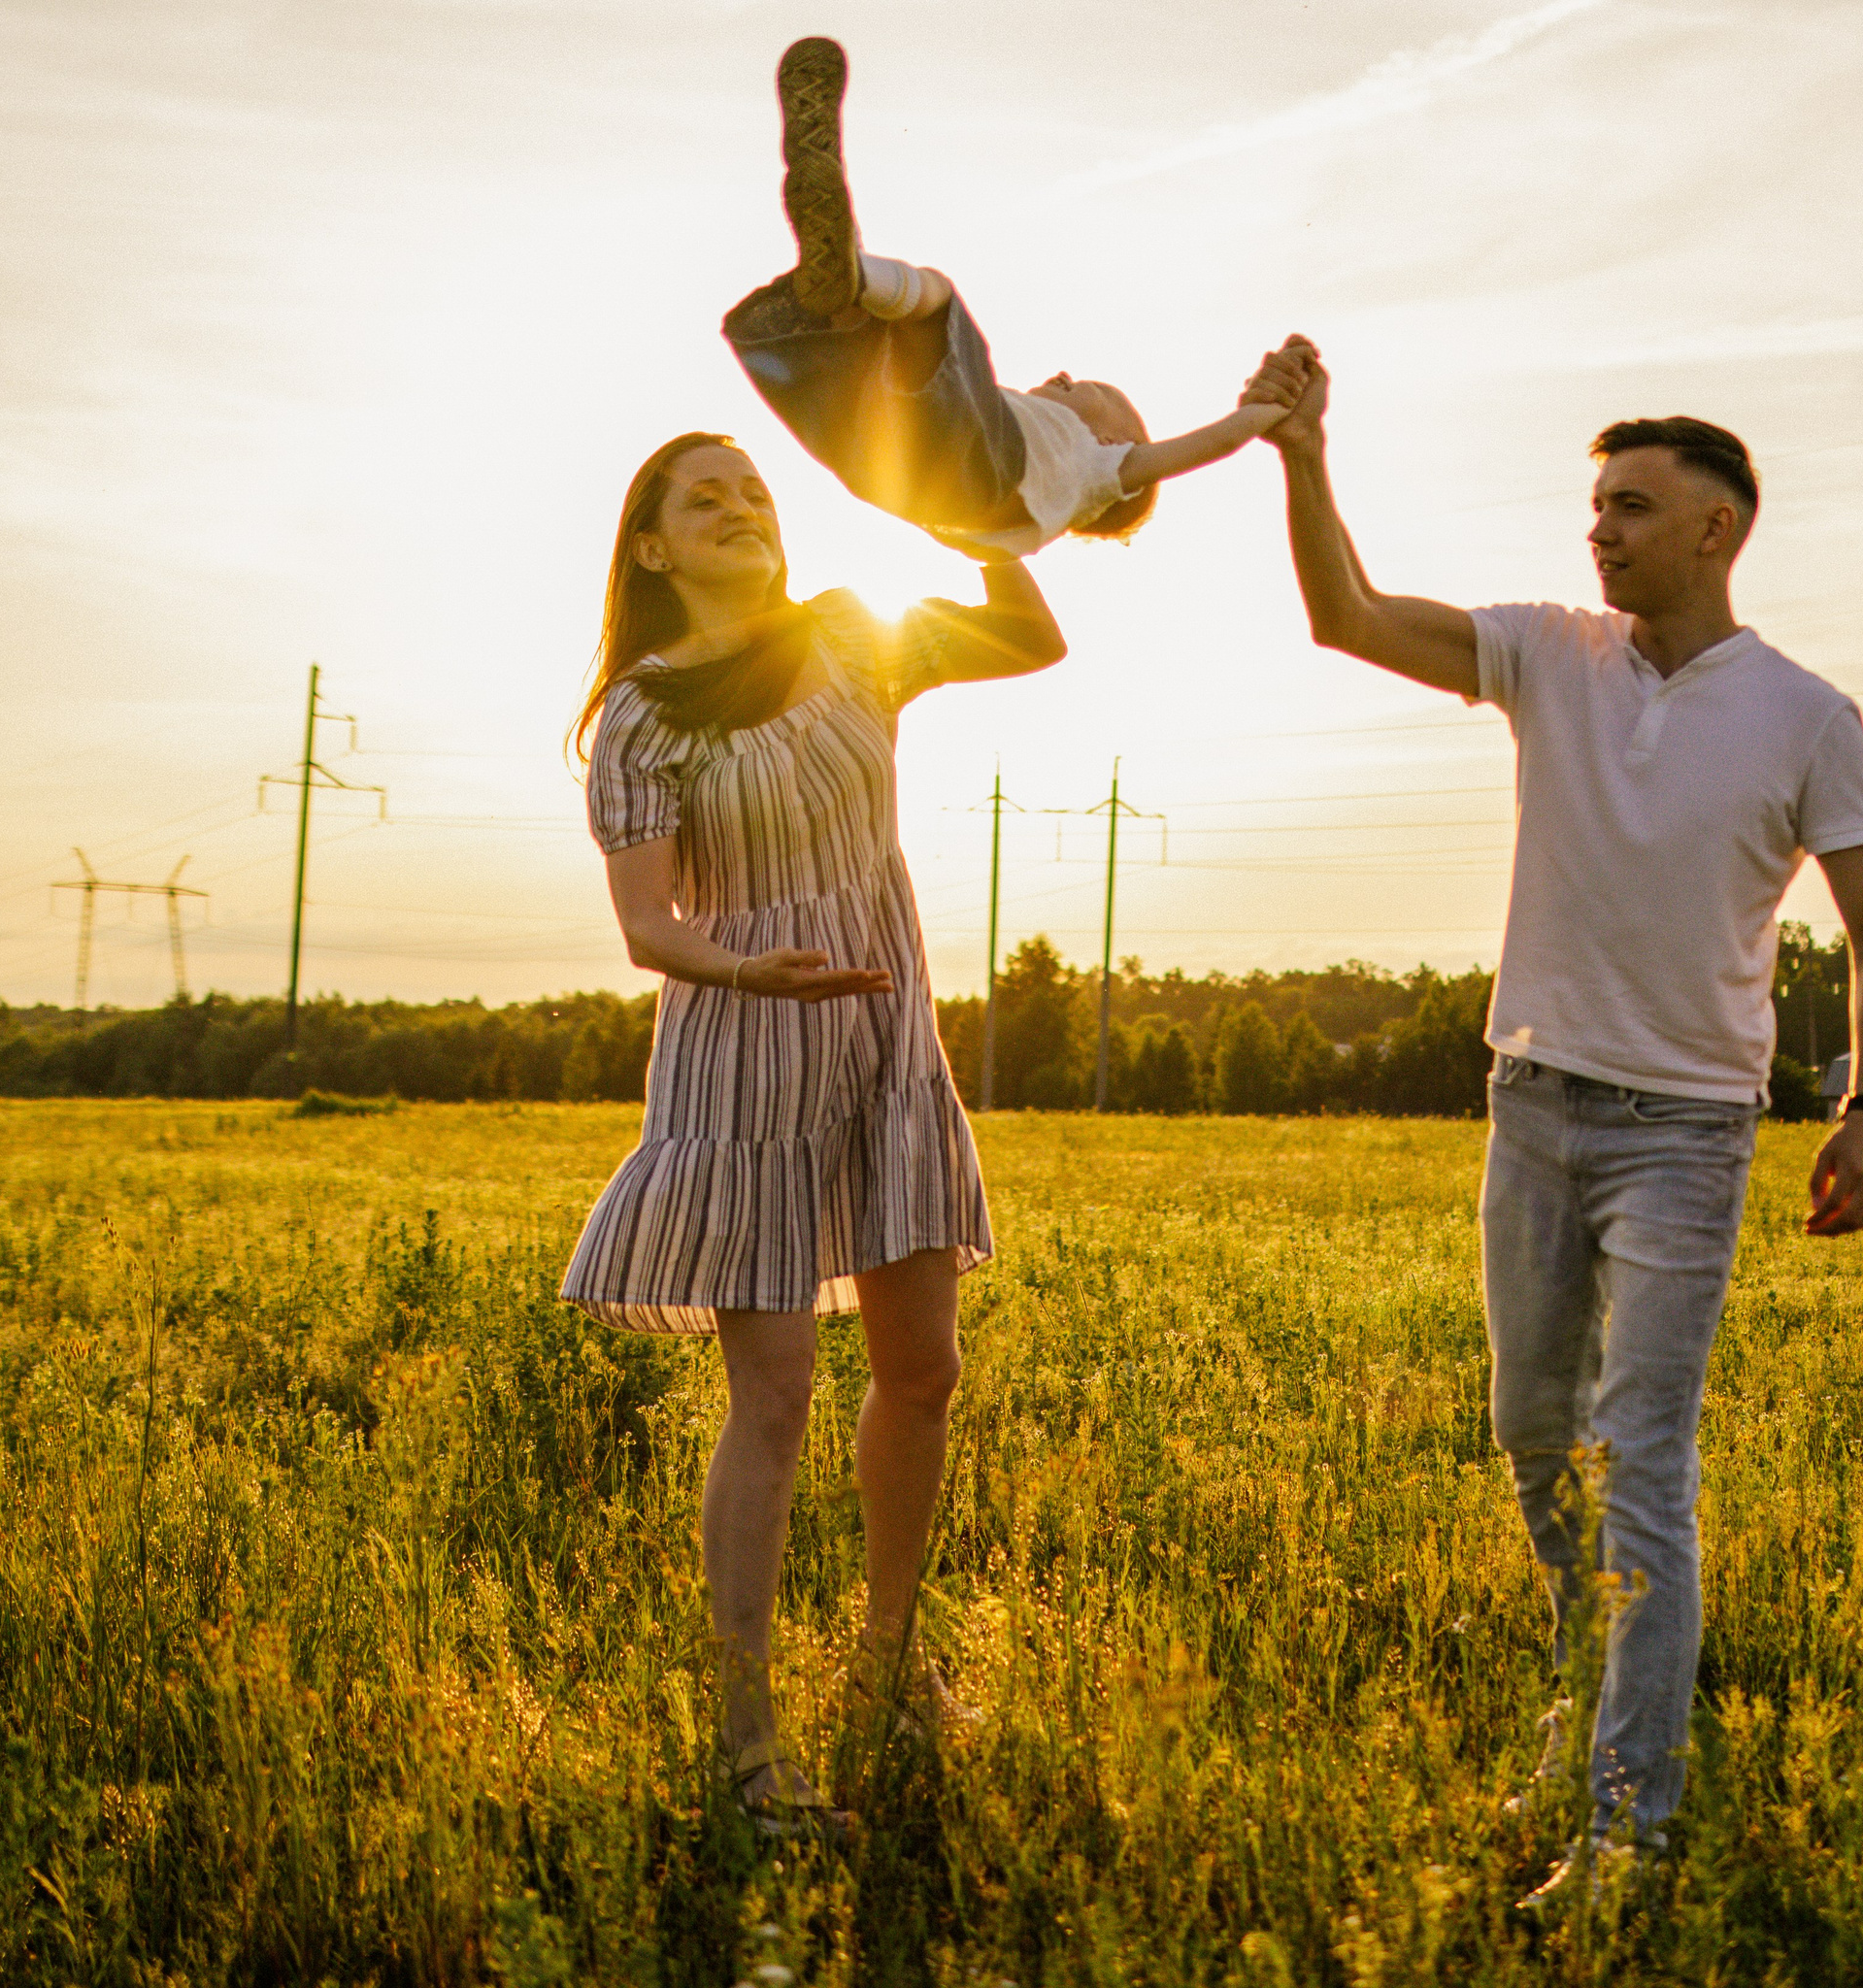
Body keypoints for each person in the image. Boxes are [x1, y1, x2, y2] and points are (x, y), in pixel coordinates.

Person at [1240, 340, 1863, 1905]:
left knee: (1644, 1463)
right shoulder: (1548, 652)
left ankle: (1629, 1829)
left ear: (1717, 530)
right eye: (1593, 505)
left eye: (1630, 508)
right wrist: (1303, 457)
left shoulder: (1808, 715)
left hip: (1687, 1133)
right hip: (1532, 1106)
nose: (1598, 532)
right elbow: (1343, 616)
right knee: (1536, 1442)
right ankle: (1587, 1692)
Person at [559, 429, 1067, 1837]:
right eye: (701, 497)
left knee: (924, 1373)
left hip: (886, 1041)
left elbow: (1029, 635)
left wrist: (965, 503)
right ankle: (747, 1749)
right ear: (651, 549)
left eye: (755, 490)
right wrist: (747, 968)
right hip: (746, 1058)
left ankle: (891, 1675)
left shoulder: (852, 641)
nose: (740, 508)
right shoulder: (643, 715)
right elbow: (649, 928)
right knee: (772, 1396)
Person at [720, 37, 1289, 560]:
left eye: (1096, 389)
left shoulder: (1099, 469)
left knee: (935, 305)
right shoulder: (1032, 479)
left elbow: (1210, 444)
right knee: (877, 340)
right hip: (894, 473)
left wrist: (1261, 413)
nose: (1068, 374)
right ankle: (843, 267)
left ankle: (852, 270)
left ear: (1117, 442)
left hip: (962, 473)